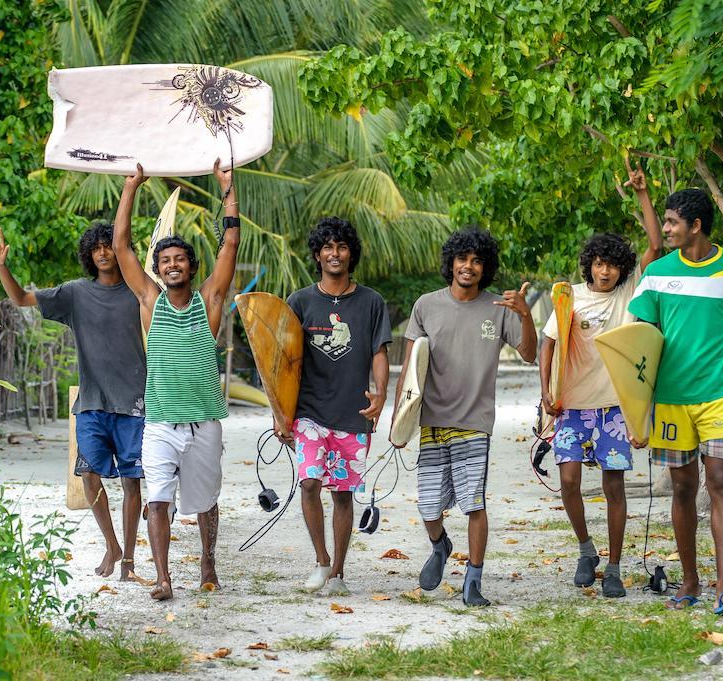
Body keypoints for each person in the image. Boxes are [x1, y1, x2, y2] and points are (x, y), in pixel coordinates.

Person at [0, 223, 145, 581]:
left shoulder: (139, 292)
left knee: (132, 482)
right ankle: (112, 545)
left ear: (120, 250)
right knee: (88, 475)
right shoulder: (74, 293)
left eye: (108, 246)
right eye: (96, 248)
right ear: (88, 255)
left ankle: (130, 559)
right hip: (91, 402)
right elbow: (22, 299)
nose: (103, 253)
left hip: (134, 403)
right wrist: (1, 266)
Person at [113, 160, 240, 601]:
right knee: (158, 498)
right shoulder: (150, 299)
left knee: (206, 503)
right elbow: (122, 246)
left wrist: (227, 188)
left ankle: (208, 560)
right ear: (159, 268)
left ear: (190, 265)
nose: (171, 265)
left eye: (179, 259)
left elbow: (230, 244)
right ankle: (164, 578)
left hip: (204, 422)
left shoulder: (209, 301)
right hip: (161, 422)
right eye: (164, 260)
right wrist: (131, 188)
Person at [392, 227, 537, 606]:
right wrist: (398, 422)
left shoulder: (498, 308)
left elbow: (528, 353)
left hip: (475, 421)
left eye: (476, 260)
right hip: (432, 421)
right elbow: (409, 367)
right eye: (462, 259)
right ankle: (440, 546)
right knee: (427, 505)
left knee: (474, 502)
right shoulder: (426, 305)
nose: (468, 266)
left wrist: (526, 317)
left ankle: (473, 580)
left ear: (484, 267)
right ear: (451, 262)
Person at [628, 187, 723, 615]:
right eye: (664, 222)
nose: (665, 229)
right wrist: (637, 408)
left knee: (719, 480)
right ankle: (690, 580)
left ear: (695, 226)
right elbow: (640, 345)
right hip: (672, 396)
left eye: (671, 222)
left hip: (721, 392)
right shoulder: (657, 274)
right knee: (683, 487)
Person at [539, 161, 662, 597]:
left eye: (612, 265)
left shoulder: (631, 292)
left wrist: (642, 194)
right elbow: (548, 346)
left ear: (621, 269)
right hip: (572, 405)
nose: (605, 271)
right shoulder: (569, 297)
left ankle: (612, 566)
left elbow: (654, 243)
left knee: (614, 485)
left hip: (614, 407)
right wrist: (547, 395)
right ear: (588, 265)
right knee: (568, 480)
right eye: (598, 264)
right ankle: (585, 548)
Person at [280, 217, 391, 596]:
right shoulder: (300, 301)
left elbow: (379, 351)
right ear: (317, 255)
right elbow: (285, 361)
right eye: (327, 247)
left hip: (352, 412)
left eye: (341, 247)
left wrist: (380, 393)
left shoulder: (371, 301)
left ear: (350, 254)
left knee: (343, 493)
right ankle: (321, 561)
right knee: (309, 482)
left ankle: (339, 573)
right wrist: (281, 412)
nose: (334, 253)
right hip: (309, 410)